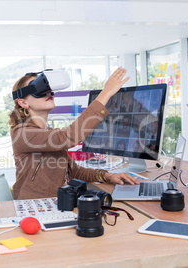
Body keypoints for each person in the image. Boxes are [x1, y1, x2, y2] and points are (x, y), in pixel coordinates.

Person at [9, 67, 140, 200]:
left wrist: (108, 176)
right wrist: (106, 92)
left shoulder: (47, 133)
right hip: (34, 206)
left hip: (57, 202)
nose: (48, 93)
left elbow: (75, 171)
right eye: (38, 89)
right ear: (23, 102)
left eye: (47, 89)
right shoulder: (22, 133)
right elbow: (68, 137)